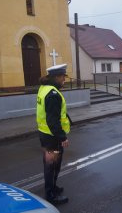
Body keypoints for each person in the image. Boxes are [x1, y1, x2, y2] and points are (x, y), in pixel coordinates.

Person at [36, 64, 71, 205]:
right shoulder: (53, 94)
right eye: (63, 77)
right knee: (52, 165)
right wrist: (62, 137)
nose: (64, 80)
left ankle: (53, 188)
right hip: (52, 137)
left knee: (51, 164)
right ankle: (51, 195)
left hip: (45, 134)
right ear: (56, 77)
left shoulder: (44, 88)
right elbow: (53, 121)